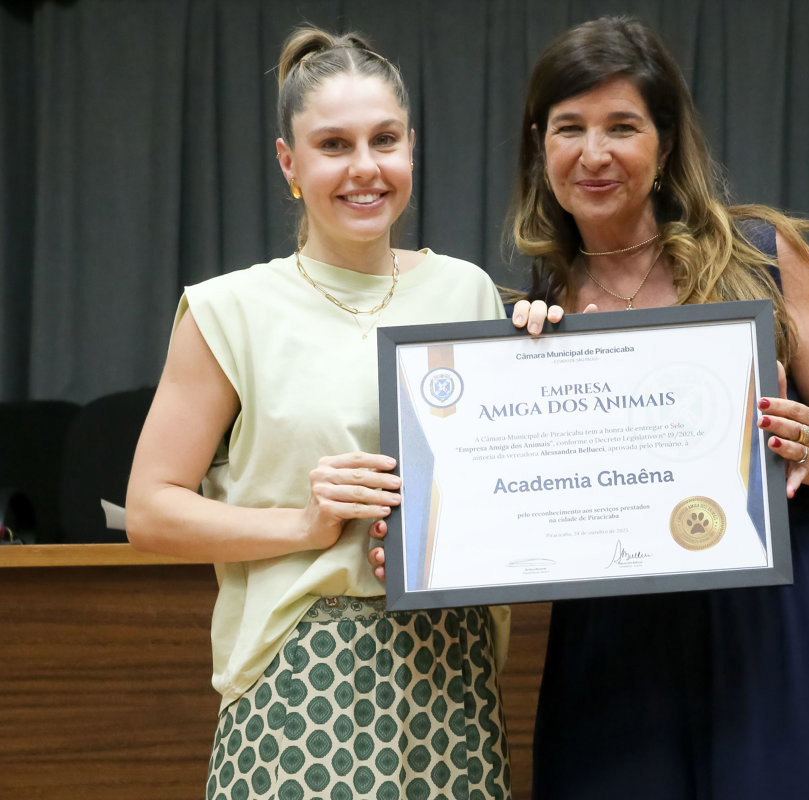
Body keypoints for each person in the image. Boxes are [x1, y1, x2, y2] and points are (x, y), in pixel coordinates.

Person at [372, 15, 809, 798]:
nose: (594, 154)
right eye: (570, 129)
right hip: (615, 647)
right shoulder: (531, 317)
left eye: (622, 126)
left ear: (664, 143)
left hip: (784, 619)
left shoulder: (759, 256)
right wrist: (429, 537)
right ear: (539, 145)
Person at [126, 27, 519, 800]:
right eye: (333, 144)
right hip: (299, 678)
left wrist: (547, 346)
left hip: (454, 669)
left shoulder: (468, 291)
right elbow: (150, 510)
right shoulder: (226, 310)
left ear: (413, 147)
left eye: (385, 140)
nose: (365, 168)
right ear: (289, 164)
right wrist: (301, 525)